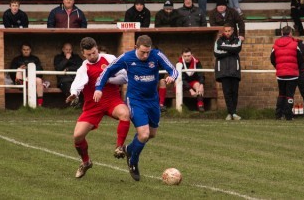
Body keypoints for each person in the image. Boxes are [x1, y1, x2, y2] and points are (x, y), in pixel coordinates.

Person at [94, 35, 178, 181]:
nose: (146, 55)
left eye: (148, 52)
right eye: (142, 52)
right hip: (135, 100)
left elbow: (173, 69)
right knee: (144, 134)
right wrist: (99, 88)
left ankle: (128, 149)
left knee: (151, 134)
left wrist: (172, 77)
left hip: (152, 101)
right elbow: (107, 71)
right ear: (135, 48)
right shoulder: (127, 58)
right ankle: (133, 161)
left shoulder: (157, 55)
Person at [65, 37, 131, 178]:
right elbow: (78, 84)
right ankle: (86, 162)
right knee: (77, 136)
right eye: (89, 54)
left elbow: (125, 77)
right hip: (92, 106)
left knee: (125, 114)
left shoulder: (109, 59)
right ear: (83, 54)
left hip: (111, 100)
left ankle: (119, 147)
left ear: (97, 49)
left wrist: (107, 79)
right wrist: (73, 94)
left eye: (94, 52)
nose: (92, 56)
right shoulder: (83, 68)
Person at [270, 26, 304, 120]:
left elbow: (272, 59)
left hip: (280, 74)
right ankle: (288, 116)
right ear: (290, 33)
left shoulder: (275, 45)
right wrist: (295, 67)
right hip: (292, 74)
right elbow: (301, 58)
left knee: (281, 94)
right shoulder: (295, 44)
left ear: (282, 33)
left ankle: (278, 114)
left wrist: (278, 67)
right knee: (290, 95)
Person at [214, 24, 242, 120]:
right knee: (227, 92)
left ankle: (231, 113)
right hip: (223, 70)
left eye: (229, 31)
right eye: (225, 31)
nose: (227, 33)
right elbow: (216, 52)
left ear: (233, 30)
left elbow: (237, 48)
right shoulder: (218, 40)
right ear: (223, 31)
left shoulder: (237, 40)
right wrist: (231, 50)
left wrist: (224, 47)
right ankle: (232, 113)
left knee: (234, 92)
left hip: (235, 69)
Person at [10, 42, 45, 107]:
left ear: (30, 50)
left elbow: (40, 72)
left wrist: (30, 72)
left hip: (32, 79)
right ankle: (21, 83)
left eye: (27, 49)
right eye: (24, 49)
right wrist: (20, 68)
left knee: (39, 81)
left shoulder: (35, 59)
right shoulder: (16, 59)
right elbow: (11, 72)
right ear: (21, 50)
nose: (26, 51)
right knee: (19, 70)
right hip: (21, 79)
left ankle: (40, 104)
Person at [178, 48, 205, 112]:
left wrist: (201, 84)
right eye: (185, 56)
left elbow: (201, 74)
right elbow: (182, 79)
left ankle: (200, 105)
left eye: (188, 56)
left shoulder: (197, 62)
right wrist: (190, 90)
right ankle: (179, 108)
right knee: (177, 83)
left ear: (192, 55)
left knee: (198, 85)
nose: (187, 58)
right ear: (182, 56)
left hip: (193, 82)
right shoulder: (179, 63)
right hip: (182, 83)